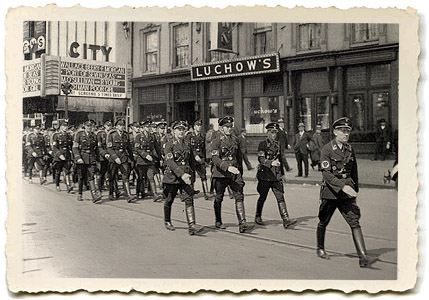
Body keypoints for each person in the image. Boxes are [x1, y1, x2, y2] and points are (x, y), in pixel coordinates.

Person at [316, 117, 377, 268]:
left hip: (346, 194)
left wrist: (355, 189)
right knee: (323, 220)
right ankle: (320, 248)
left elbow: (354, 171)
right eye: (343, 131)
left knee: (354, 221)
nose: (346, 134)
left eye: (348, 131)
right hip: (331, 193)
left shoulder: (350, 149)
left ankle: (363, 257)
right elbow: (327, 174)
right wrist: (343, 187)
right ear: (335, 132)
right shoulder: (327, 149)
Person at [162, 120, 204, 236]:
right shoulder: (169, 144)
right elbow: (170, 161)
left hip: (185, 176)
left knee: (189, 198)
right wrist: (182, 174)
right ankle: (167, 220)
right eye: (178, 129)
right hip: (173, 176)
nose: (181, 132)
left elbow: (191, 162)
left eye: (183, 130)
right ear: (173, 131)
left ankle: (192, 225)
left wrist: (195, 175)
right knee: (169, 199)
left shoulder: (187, 144)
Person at [210, 116, 249, 233]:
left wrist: (240, 173)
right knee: (219, 197)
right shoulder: (216, 141)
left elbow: (239, 157)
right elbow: (215, 158)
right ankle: (218, 220)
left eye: (230, 127)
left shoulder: (235, 140)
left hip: (234, 173)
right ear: (221, 128)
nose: (229, 129)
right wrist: (227, 167)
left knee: (239, 195)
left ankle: (242, 222)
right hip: (221, 173)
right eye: (227, 127)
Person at [255, 123, 297, 228]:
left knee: (280, 197)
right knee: (263, 196)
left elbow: (281, 160)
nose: (274, 135)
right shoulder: (262, 144)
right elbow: (261, 159)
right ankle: (258, 216)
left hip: (275, 176)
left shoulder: (278, 145)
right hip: (265, 175)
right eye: (272, 132)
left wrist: (282, 174)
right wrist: (270, 163)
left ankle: (286, 219)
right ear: (267, 133)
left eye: (275, 133)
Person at [106, 119, 136, 203]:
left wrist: (132, 159)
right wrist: (115, 157)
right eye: (120, 125)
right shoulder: (111, 134)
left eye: (123, 125)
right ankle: (111, 193)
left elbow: (129, 148)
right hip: (114, 158)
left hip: (123, 158)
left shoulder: (126, 135)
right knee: (112, 176)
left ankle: (129, 194)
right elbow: (109, 148)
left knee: (125, 176)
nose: (121, 127)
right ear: (116, 126)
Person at [72, 120, 102, 203]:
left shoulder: (94, 136)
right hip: (82, 157)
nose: (89, 128)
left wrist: (98, 160)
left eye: (91, 126)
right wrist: (78, 157)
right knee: (81, 177)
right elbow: (75, 147)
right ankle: (80, 193)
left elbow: (96, 149)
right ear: (84, 126)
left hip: (91, 158)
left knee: (91, 175)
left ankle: (94, 195)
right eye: (88, 126)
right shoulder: (79, 135)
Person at [133, 120, 163, 201]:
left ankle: (155, 194)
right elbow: (137, 149)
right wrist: (145, 155)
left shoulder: (152, 136)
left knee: (151, 177)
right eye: (147, 127)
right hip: (141, 160)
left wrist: (159, 158)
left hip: (150, 160)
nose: (148, 128)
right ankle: (139, 192)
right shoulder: (139, 136)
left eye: (149, 127)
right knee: (140, 178)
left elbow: (156, 148)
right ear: (142, 128)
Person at [51, 120, 73, 192]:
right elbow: (54, 147)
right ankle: (57, 185)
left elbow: (71, 146)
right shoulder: (56, 135)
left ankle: (68, 185)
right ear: (60, 127)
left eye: (66, 126)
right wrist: (59, 155)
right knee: (58, 171)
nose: (65, 128)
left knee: (67, 171)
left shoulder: (69, 135)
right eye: (64, 126)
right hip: (59, 156)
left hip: (67, 155)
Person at [96, 120, 113, 193]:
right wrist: (104, 154)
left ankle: (113, 189)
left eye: (110, 126)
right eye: (108, 125)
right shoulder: (100, 134)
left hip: (111, 155)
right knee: (102, 172)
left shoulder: (113, 134)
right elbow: (99, 146)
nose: (109, 127)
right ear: (105, 126)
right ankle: (99, 187)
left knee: (111, 172)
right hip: (103, 156)